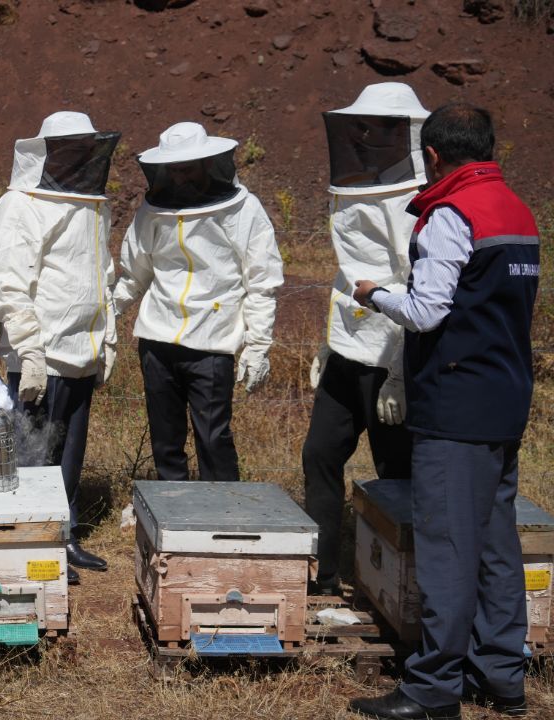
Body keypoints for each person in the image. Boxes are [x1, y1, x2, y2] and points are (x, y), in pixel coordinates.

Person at [349, 105, 540, 720]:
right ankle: (502, 677)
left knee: (447, 548)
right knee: (495, 545)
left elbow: (429, 310)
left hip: (455, 407)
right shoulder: (516, 210)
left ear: (431, 156)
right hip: (504, 401)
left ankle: (433, 689)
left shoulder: (449, 215)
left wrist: (374, 295)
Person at [0, 111, 120, 583]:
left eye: (83, 149)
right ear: (45, 152)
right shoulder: (20, 204)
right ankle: (32, 546)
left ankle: (64, 537)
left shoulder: (91, 205)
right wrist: (31, 353)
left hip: (80, 354)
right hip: (42, 356)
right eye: (66, 149)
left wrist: (107, 342)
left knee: (68, 457)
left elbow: (101, 278)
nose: (76, 157)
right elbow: (7, 285)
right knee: (35, 458)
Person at [302, 83, 425, 596]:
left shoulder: (418, 200)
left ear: (405, 132)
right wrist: (329, 344)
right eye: (364, 125)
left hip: (389, 356)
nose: (368, 134)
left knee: (394, 471)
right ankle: (324, 576)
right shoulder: (355, 187)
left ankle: (404, 588)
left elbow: (417, 287)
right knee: (319, 456)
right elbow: (346, 275)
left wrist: (398, 374)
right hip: (349, 351)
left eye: (381, 126)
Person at [113, 121, 282, 483]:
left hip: (212, 342)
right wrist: (107, 317)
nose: (179, 178)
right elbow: (135, 272)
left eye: (187, 168)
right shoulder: (153, 209)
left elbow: (262, 281)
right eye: (172, 170)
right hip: (157, 341)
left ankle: (225, 518)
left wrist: (258, 345)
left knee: (213, 438)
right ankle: (173, 520)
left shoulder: (243, 209)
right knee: (165, 440)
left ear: (208, 163)